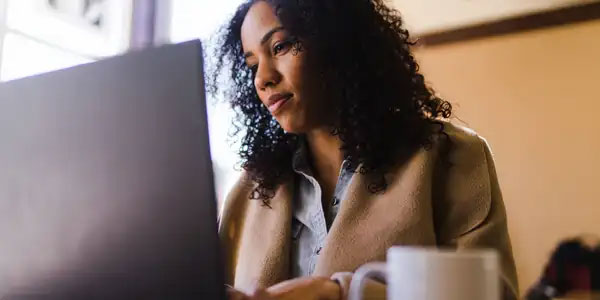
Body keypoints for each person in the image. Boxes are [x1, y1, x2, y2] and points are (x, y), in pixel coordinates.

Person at [210, 0, 519, 299]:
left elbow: (490, 294)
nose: (263, 78)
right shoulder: (248, 193)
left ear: (336, 40)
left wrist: (341, 293)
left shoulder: (451, 158)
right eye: (252, 65)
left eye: (280, 47)